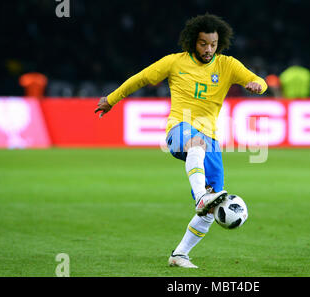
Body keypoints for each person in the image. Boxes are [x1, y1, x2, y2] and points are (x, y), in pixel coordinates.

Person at [94, 14, 267, 268]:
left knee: (213, 205)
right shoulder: (174, 62)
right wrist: (111, 99)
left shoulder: (227, 65)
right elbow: (140, 78)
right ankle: (200, 196)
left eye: (213, 44)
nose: (209, 49)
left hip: (211, 141)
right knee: (197, 150)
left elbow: (260, 81)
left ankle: (180, 254)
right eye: (203, 44)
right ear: (192, 42)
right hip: (179, 128)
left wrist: (256, 86)